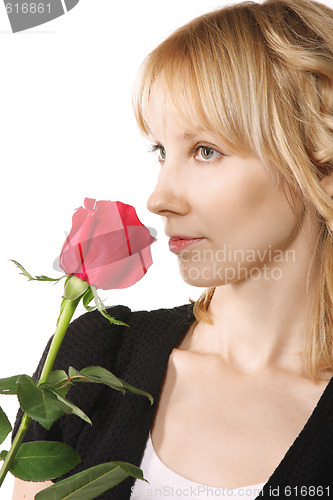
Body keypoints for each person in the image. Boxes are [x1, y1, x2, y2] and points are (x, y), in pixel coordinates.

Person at [13, 0, 333, 498]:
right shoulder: (92, 362)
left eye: (206, 151)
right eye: (161, 151)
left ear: (323, 166)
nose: (160, 198)